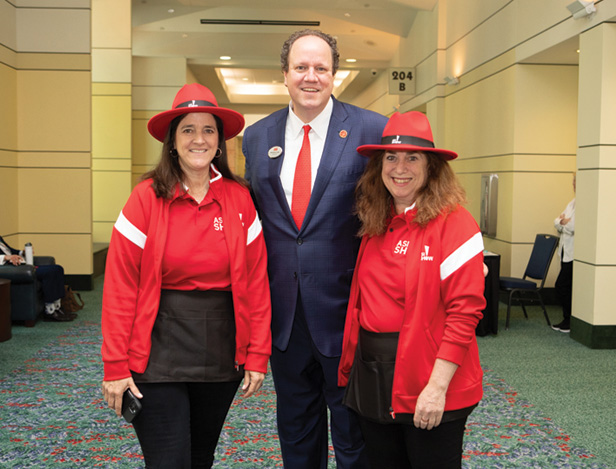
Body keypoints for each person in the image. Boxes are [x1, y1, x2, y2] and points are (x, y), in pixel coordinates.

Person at [101, 83, 272, 468]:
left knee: (199, 457)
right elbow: (119, 286)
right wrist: (115, 363)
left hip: (221, 350)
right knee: (168, 461)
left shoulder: (239, 198)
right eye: (188, 130)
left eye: (209, 130)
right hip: (156, 350)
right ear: (173, 141)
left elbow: (257, 283)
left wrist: (259, 352)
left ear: (220, 141)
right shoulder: (146, 197)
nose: (199, 139)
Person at [242, 29, 387, 468]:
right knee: (296, 432)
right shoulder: (255, 136)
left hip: (348, 315)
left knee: (354, 435)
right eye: (301, 67)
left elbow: (401, 202)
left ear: (335, 75)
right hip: (284, 318)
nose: (311, 76)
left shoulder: (370, 129)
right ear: (284, 75)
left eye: (321, 68)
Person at [338, 111, 486, 468]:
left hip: (428, 376)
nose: (399, 167)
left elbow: (464, 313)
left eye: (412, 158)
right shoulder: (375, 219)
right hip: (373, 375)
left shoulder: (455, 222)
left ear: (432, 166)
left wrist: (437, 388)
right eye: (390, 157)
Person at [0, 235, 72, 322]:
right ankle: (50, 311)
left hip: (19, 265)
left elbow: (10, 250)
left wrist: (21, 253)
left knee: (57, 269)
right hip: (10, 269)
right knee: (49, 272)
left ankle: (57, 306)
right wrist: (5, 257)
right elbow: (6, 255)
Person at [552, 173, 575, 333]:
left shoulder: (585, 203)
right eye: (573, 181)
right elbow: (556, 222)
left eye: (575, 181)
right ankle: (567, 318)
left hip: (575, 254)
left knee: (562, 285)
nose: (573, 184)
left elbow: (574, 227)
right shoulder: (572, 203)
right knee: (565, 286)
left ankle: (569, 319)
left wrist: (564, 223)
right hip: (565, 251)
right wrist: (562, 222)